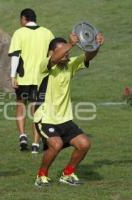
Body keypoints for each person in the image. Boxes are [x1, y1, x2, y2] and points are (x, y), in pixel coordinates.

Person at [33, 33, 104, 187]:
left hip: (65, 119)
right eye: (63, 51)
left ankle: (68, 174)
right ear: (52, 53)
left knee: (84, 144)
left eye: (67, 52)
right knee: (56, 145)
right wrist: (70, 44)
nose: (66, 54)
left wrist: (95, 45)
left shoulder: (69, 65)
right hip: (45, 118)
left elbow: (87, 57)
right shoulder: (44, 66)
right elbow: (54, 59)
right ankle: (41, 175)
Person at [8, 8, 54, 153]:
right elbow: (52, 54)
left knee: (21, 105)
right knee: (37, 110)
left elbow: (15, 55)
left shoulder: (19, 33)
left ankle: (22, 135)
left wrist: (12, 76)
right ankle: (35, 144)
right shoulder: (47, 33)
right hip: (41, 79)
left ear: (23, 18)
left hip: (23, 78)